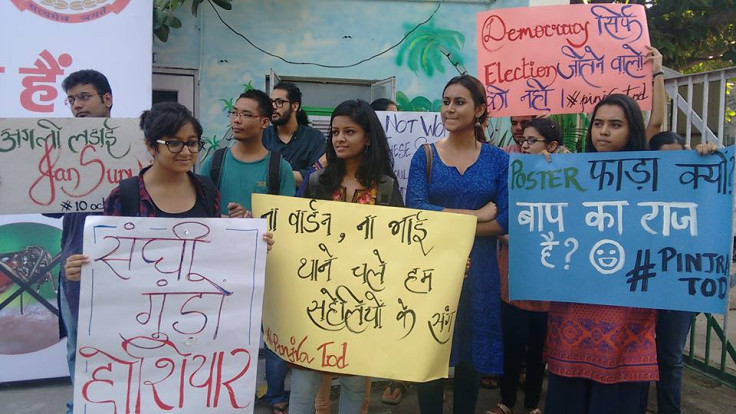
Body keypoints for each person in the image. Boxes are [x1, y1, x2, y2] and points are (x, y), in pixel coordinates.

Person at [544, 94, 657, 414]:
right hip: (574, 308)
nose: (603, 131)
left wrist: (703, 157)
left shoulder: (653, 177)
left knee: (614, 402)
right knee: (568, 397)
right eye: (598, 123)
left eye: (615, 125)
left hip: (627, 309)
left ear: (632, 129)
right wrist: (544, 175)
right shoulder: (570, 174)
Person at [290, 99, 403, 414]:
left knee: (354, 383)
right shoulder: (317, 182)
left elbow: (403, 244)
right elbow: (296, 233)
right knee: (304, 382)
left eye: (349, 132)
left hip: (363, 302)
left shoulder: (385, 188)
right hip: (316, 298)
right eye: (335, 132)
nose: (339, 138)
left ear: (368, 137)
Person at [407, 74, 508, 414]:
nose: (449, 109)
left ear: (479, 109)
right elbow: (417, 211)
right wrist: (476, 215)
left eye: (459, 102)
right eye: (446, 101)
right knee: (429, 351)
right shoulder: (425, 156)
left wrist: (458, 222)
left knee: (471, 353)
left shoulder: (498, 160)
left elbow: (504, 221)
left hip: (480, 270)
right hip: (431, 267)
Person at [198, 89, 294, 414]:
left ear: (265, 121)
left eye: (246, 114)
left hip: (268, 263)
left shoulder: (279, 167)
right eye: (234, 113)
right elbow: (198, 210)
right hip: (222, 265)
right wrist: (226, 220)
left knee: (273, 334)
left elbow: (288, 222)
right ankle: (233, 393)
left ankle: (277, 396)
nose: (237, 120)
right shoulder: (216, 161)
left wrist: (256, 221)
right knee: (228, 332)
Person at [489, 117, 562, 414]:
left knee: (538, 349)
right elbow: (497, 212)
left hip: (546, 279)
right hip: (512, 275)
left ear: (553, 146)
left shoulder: (566, 176)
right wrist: (509, 237)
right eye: (524, 140)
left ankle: (533, 405)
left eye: (532, 141)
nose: (525, 145)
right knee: (512, 344)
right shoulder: (512, 171)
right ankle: (506, 402)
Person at [55, 69, 113, 414]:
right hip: (75, 263)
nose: (78, 105)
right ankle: (84, 403)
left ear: (107, 99)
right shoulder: (61, 145)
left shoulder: (135, 143)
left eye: (85, 96)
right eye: (72, 99)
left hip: (122, 260)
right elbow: (47, 206)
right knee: (78, 344)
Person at [263, 82, 326, 188]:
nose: (273, 107)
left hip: (301, 202)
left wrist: (273, 174)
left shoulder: (315, 138)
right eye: (271, 102)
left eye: (279, 102)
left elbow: (317, 178)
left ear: (294, 106)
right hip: (264, 201)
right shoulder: (262, 136)